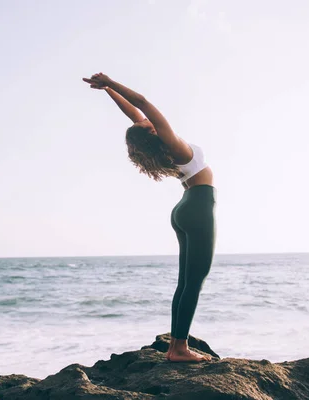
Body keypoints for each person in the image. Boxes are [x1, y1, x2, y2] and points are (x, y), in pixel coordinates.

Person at [83, 73, 216, 363]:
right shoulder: (172, 143)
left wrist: (107, 90)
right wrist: (112, 81)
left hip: (184, 208)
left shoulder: (160, 145)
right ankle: (179, 349)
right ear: (152, 133)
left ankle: (176, 346)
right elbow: (141, 102)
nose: (145, 119)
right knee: (194, 280)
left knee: (185, 281)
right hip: (199, 205)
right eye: (146, 123)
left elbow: (134, 111)